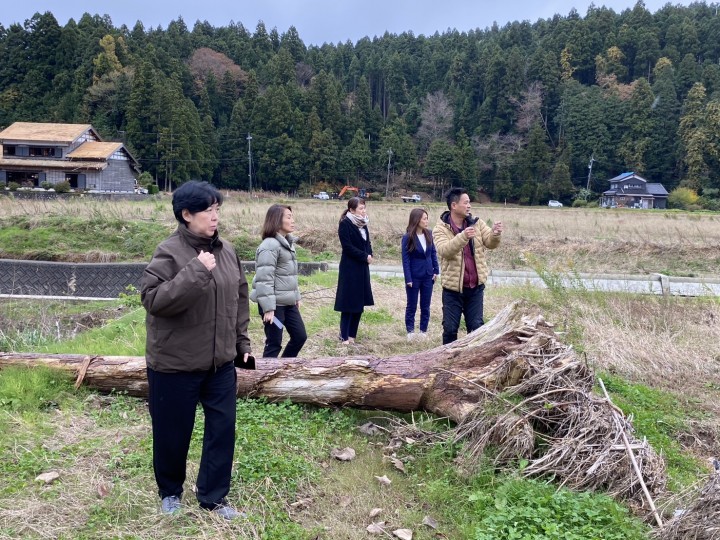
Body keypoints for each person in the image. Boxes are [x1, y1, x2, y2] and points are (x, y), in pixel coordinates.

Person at [140, 180, 252, 520]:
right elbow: (153, 299)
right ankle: (170, 492)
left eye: (218, 209)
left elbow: (239, 297)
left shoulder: (227, 250)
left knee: (222, 429)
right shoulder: (169, 251)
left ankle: (213, 498)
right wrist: (195, 271)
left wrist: (242, 345)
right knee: (172, 433)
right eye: (208, 210)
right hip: (175, 364)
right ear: (186, 214)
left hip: (219, 363)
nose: (215, 216)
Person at [433, 187, 504, 345]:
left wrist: (495, 234)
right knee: (450, 329)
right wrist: (463, 236)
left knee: (476, 327)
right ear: (454, 205)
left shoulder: (477, 223)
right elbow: (445, 251)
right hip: (453, 291)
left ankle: (475, 361)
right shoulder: (440, 229)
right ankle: (447, 360)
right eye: (465, 203)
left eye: (469, 202)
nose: (469, 206)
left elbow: (490, 243)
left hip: (475, 289)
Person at [250, 204, 307, 358]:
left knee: (300, 336)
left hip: (288, 303)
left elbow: (289, 275)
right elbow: (264, 279)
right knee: (274, 343)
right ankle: (265, 377)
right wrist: (268, 308)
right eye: (288, 217)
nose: (293, 220)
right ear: (277, 220)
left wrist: (296, 296)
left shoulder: (287, 244)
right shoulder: (269, 246)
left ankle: (284, 368)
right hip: (274, 306)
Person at [334, 197, 374, 345]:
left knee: (359, 303)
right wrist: (365, 256)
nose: (364, 211)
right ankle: (343, 336)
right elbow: (348, 247)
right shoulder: (345, 224)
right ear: (352, 210)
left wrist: (370, 254)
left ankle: (352, 336)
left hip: (362, 268)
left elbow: (367, 243)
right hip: (350, 268)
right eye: (361, 208)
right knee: (348, 303)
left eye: (364, 208)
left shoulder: (363, 224)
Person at [401, 208, 439, 340]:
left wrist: (436, 270)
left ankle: (423, 331)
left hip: (428, 275)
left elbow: (433, 253)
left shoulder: (429, 233)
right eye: (424, 218)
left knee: (425, 305)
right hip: (414, 276)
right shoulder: (408, 237)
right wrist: (408, 278)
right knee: (412, 305)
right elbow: (405, 259)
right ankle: (410, 331)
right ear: (416, 220)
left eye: (427, 218)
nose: (426, 221)